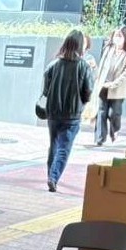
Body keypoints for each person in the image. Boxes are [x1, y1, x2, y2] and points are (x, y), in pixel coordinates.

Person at [42, 30, 93, 193]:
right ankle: (53, 177)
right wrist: (81, 102)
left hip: (53, 113)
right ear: (80, 46)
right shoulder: (84, 66)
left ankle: (50, 175)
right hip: (72, 115)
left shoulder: (53, 65)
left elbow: (46, 90)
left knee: (53, 145)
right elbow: (88, 91)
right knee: (64, 148)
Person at [94, 26, 126, 146]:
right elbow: (102, 66)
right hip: (104, 85)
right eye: (115, 35)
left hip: (118, 88)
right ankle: (100, 138)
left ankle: (115, 130)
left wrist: (113, 84)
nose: (117, 38)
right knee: (101, 111)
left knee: (114, 113)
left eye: (120, 36)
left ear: (125, 38)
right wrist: (99, 81)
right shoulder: (108, 49)